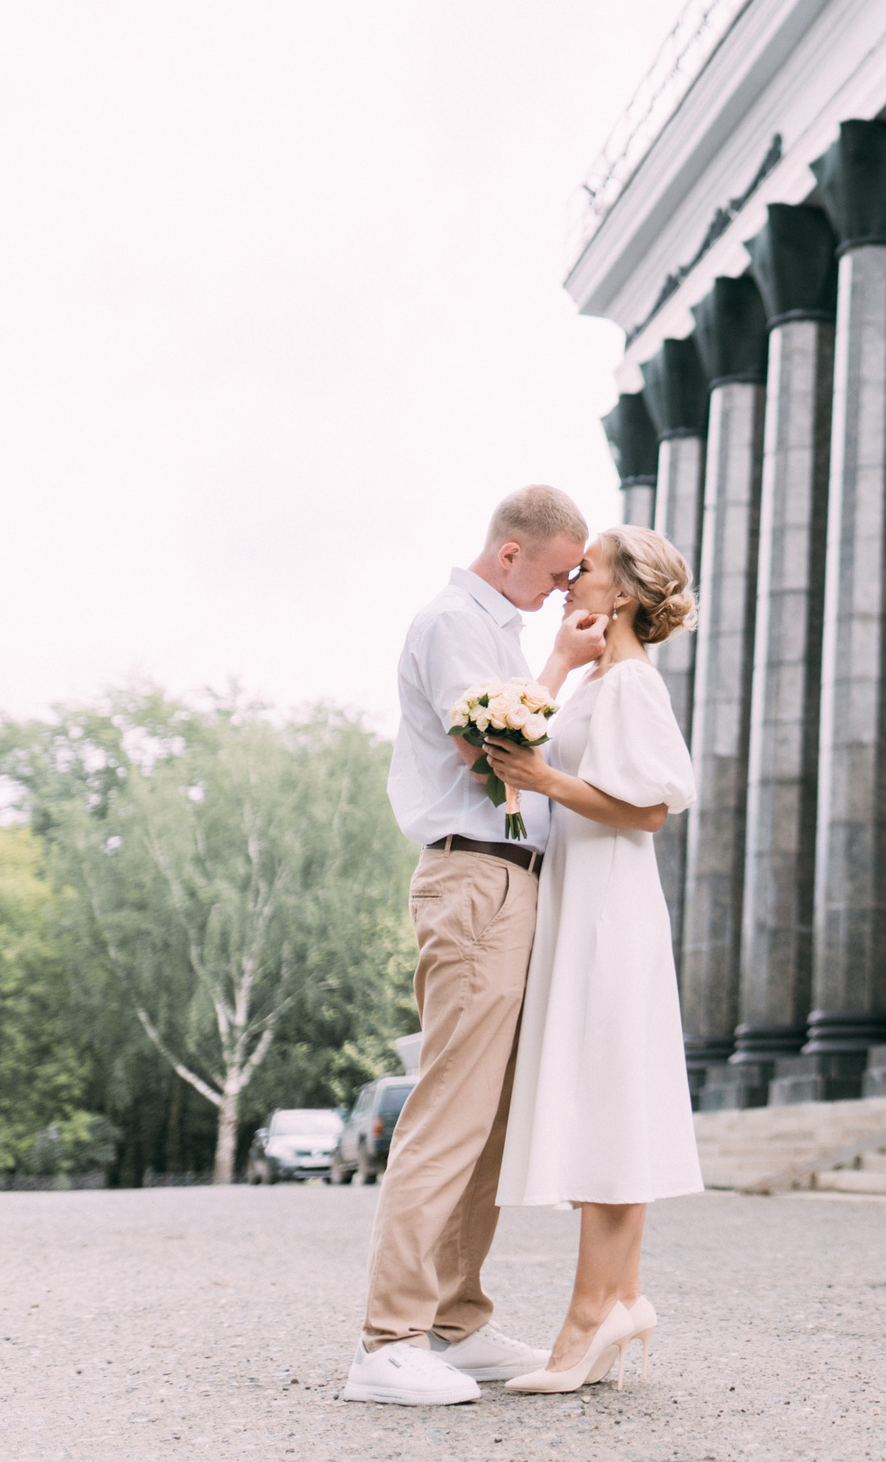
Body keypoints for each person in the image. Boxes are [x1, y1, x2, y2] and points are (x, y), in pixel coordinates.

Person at [343, 486, 606, 1407]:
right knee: (451, 1109)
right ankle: (389, 1341)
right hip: (473, 875)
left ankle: (455, 1321)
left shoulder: (494, 629)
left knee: (489, 1117)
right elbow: (482, 746)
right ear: (508, 553)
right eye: (558, 567)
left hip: (508, 876)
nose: (569, 584)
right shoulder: (458, 620)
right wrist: (564, 663)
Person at [480, 525, 704, 1393]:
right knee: (613, 1095)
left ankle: (589, 1316)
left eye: (591, 570)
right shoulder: (601, 682)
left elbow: (651, 808)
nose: (573, 579)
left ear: (624, 595)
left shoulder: (635, 686)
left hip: (611, 905)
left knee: (612, 1097)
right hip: (585, 896)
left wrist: (545, 782)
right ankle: (620, 1296)